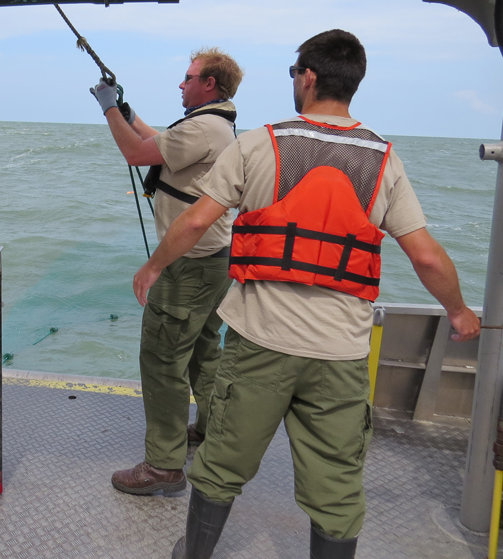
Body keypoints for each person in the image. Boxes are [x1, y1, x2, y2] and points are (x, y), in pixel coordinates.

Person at [132, 30, 481, 559]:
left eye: (294, 73)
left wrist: (154, 267)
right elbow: (427, 256)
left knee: (223, 462)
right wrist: (458, 312)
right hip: (340, 353)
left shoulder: (259, 142)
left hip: (259, 344)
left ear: (309, 77)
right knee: (337, 486)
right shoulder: (384, 160)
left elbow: (197, 222)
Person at [89, 48, 243, 495]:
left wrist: (108, 107)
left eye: (189, 77)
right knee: (203, 351)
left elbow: (138, 153)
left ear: (210, 84)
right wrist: (129, 111)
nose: (181, 83)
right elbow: (160, 142)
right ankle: (209, 431)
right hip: (216, 261)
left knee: (161, 361)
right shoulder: (216, 125)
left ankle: (163, 465)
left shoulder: (202, 126)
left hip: (188, 268)